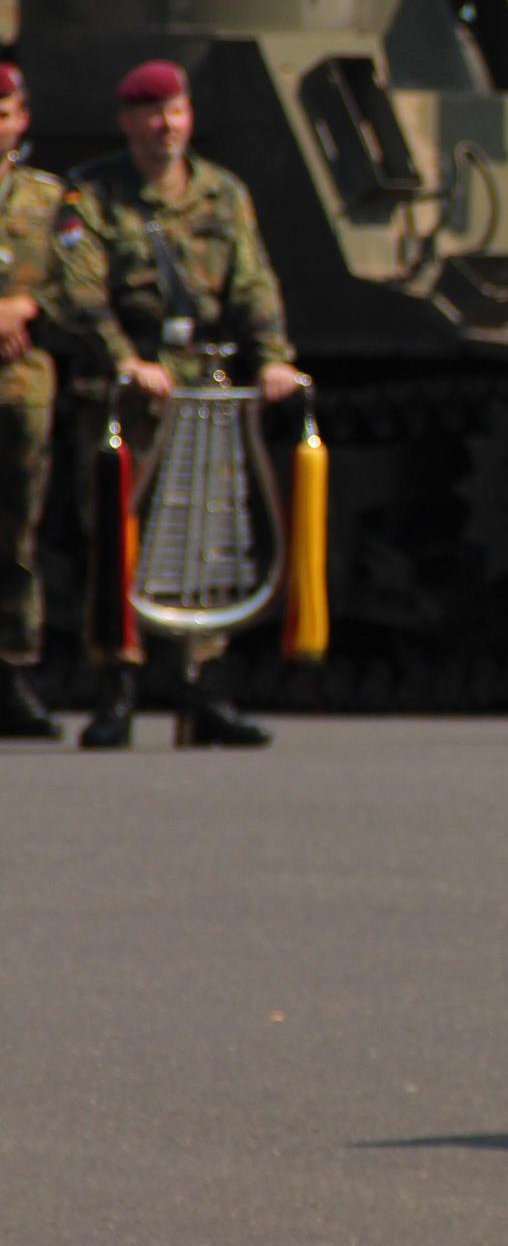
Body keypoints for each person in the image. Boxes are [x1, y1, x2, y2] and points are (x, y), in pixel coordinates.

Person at [57, 59, 309, 750]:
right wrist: (124, 360)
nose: (165, 126)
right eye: (151, 113)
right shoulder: (94, 195)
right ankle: (118, 686)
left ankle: (204, 690)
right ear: (127, 121)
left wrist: (273, 357)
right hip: (131, 391)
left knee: (207, 535)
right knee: (118, 537)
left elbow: (254, 283)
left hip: (204, 386)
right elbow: (78, 290)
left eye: (175, 111)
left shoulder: (222, 194)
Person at [0, 61, 68, 739]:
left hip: (20, 388)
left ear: (20, 121)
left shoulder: (50, 201)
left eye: (2, 114)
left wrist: (26, 308)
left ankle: (12, 670)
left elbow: (80, 284)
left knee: (17, 532)